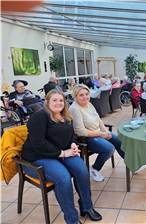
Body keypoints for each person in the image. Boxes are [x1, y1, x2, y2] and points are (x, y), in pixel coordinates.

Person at [21, 89, 102, 224]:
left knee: (82, 170)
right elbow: (38, 143)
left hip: (60, 153)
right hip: (38, 157)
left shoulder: (66, 117)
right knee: (63, 177)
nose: (58, 103)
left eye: (61, 100)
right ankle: (72, 219)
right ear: (47, 102)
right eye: (54, 100)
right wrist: (62, 153)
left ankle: (87, 207)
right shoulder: (40, 116)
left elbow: (72, 136)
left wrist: (73, 144)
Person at [69, 84, 124, 182]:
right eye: (81, 95)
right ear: (75, 96)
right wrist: (101, 134)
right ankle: (94, 169)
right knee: (109, 149)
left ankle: (130, 163)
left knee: (118, 140)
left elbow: (98, 119)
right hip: (85, 138)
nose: (85, 97)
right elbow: (80, 131)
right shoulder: (74, 109)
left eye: (87, 94)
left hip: (98, 133)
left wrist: (105, 131)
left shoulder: (89, 104)